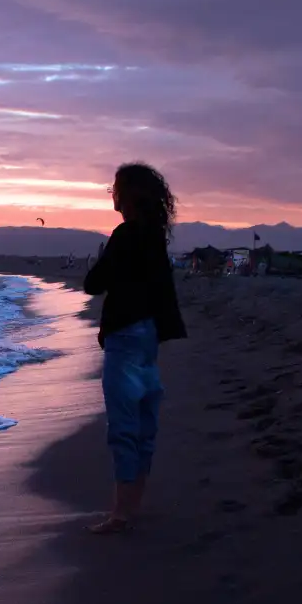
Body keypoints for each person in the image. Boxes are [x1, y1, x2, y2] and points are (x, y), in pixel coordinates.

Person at [82, 163, 187, 534]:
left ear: (127, 193)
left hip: (125, 337)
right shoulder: (154, 235)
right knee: (143, 423)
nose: (112, 193)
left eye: (115, 187)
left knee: (124, 425)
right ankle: (131, 505)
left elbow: (94, 283)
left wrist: (103, 260)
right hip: (146, 336)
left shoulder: (126, 234)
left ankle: (122, 514)